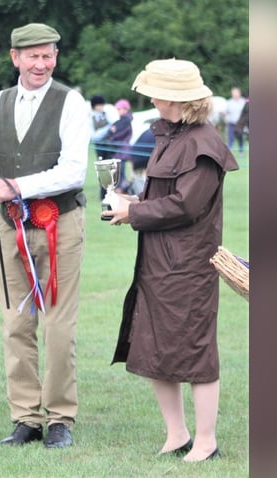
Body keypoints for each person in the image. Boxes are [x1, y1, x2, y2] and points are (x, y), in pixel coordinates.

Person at [103, 58, 238, 462]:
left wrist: (135, 214)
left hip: (190, 265)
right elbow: (163, 198)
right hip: (158, 262)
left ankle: (206, 441)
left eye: (155, 92)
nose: (150, 98)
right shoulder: (169, 135)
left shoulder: (204, 144)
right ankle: (176, 435)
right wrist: (132, 203)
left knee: (195, 351)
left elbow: (186, 206)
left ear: (173, 97)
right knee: (155, 347)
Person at [0, 23, 90, 449]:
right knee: (15, 324)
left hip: (62, 225)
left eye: (49, 55)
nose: (42, 64)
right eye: (33, 56)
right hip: (9, 227)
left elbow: (73, 170)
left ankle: (60, 419)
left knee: (57, 326)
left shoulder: (71, 102)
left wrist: (15, 185)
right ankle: (26, 418)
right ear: (14, 57)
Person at [101, 98, 133, 191]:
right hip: (118, 150)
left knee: (120, 175)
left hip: (122, 151)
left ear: (125, 109)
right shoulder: (121, 120)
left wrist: (111, 137)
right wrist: (111, 133)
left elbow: (120, 134)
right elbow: (110, 131)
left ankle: (123, 191)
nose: (117, 111)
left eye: (119, 109)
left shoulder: (126, 120)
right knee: (118, 174)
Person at [225, 87, 247, 153]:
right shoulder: (229, 102)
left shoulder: (244, 101)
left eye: (236, 93)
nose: (235, 95)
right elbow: (226, 111)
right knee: (231, 137)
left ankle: (241, 151)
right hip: (231, 123)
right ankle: (230, 151)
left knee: (240, 137)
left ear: (239, 93)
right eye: (234, 93)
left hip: (240, 124)